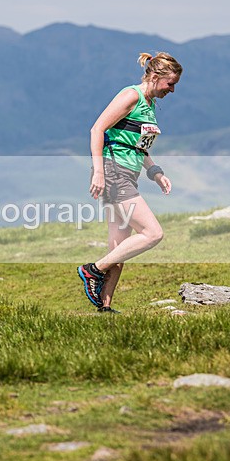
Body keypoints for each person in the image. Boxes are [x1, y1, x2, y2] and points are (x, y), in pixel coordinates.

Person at [78, 53, 182, 313]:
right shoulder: (131, 96)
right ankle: (93, 270)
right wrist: (99, 172)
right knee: (153, 233)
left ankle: (105, 306)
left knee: (119, 246)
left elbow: (138, 147)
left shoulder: (149, 104)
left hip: (126, 174)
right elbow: (97, 129)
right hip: (113, 172)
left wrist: (156, 172)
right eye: (170, 84)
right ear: (155, 77)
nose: (172, 90)